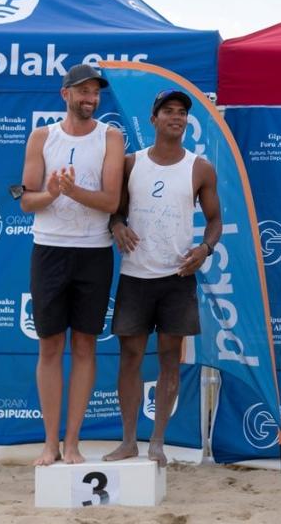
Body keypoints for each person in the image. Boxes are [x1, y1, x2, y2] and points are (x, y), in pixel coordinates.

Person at [104, 89, 221, 466]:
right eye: (168, 111)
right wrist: (117, 224)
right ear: (153, 120)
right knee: (130, 357)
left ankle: (157, 441)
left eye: (182, 112)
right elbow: (113, 211)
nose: (176, 117)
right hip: (136, 275)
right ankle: (127, 441)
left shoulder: (200, 168)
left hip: (177, 275)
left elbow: (215, 221)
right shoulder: (130, 163)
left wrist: (205, 249)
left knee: (171, 359)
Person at [18, 63, 125, 465]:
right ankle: (50, 444)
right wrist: (51, 194)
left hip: (94, 253)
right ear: (65, 94)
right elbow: (28, 201)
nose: (90, 99)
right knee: (49, 346)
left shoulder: (111, 137)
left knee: (84, 346)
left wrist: (73, 190)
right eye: (82, 91)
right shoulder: (42, 137)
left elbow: (111, 201)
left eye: (95, 93)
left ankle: (74, 443)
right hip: (49, 250)